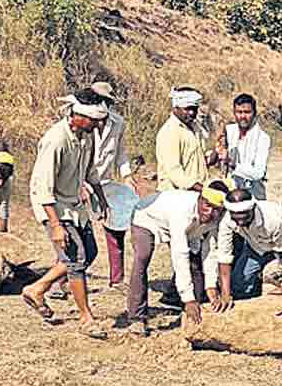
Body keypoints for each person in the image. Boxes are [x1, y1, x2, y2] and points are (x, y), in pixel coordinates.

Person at [21, 98, 110, 339]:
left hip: (74, 202)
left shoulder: (87, 136)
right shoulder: (55, 140)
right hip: (53, 205)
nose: (96, 125)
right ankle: (85, 318)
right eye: (93, 120)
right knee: (75, 259)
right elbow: (43, 189)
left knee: (89, 253)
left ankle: (37, 288)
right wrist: (56, 226)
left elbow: (90, 172)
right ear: (77, 116)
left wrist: (100, 198)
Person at [125, 182, 229, 336]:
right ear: (200, 199)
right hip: (146, 217)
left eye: (216, 209)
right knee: (142, 257)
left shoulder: (217, 217)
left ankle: (196, 311)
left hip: (187, 229)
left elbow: (210, 251)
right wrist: (188, 298)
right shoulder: (182, 210)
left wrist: (211, 286)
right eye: (207, 205)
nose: (209, 212)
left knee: (195, 265)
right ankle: (136, 318)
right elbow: (180, 255)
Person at [82, 81, 141, 290]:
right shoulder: (82, 118)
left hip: (104, 181)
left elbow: (121, 153)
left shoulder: (118, 123)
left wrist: (127, 176)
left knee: (116, 226)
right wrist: (80, 182)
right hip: (79, 182)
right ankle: (63, 279)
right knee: (78, 231)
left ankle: (116, 278)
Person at [156, 87, 218, 192]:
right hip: (176, 195)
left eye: (194, 109)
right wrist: (203, 190)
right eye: (187, 109)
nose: (191, 113)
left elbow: (199, 159)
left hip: (196, 192)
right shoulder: (170, 132)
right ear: (175, 108)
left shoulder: (195, 127)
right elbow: (175, 173)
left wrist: (215, 154)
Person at [221, 93, 271, 200]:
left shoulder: (263, 138)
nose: (243, 116)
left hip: (254, 195)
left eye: (247, 112)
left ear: (254, 113)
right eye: (239, 112)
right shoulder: (229, 131)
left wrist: (232, 163)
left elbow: (258, 173)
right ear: (234, 113)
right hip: (231, 192)